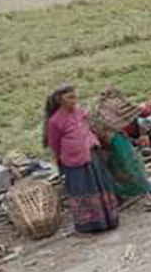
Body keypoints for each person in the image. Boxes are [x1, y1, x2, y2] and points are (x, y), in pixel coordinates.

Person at [44, 85, 120, 234]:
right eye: (69, 98)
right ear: (60, 100)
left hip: (92, 154)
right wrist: (60, 161)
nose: (74, 100)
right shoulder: (54, 121)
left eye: (75, 96)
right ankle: (90, 225)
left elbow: (86, 127)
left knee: (100, 186)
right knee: (83, 190)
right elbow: (55, 144)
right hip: (74, 162)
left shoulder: (79, 111)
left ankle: (109, 220)